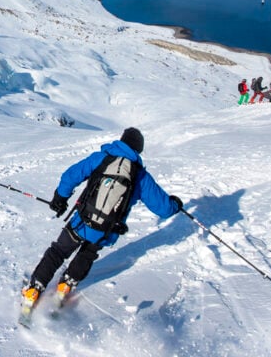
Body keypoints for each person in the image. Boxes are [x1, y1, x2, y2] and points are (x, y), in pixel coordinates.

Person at [21, 127, 182, 311]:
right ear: (138, 150)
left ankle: (34, 289)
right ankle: (65, 286)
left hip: (81, 221)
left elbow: (71, 175)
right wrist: (175, 204)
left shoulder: (102, 158)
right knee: (88, 254)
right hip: (105, 229)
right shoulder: (140, 175)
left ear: (121, 141)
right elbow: (163, 208)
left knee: (58, 251)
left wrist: (60, 197)